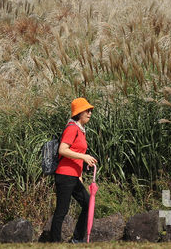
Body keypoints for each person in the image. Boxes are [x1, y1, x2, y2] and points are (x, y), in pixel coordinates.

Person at [49, 97, 98, 243]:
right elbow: (62, 150)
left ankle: (77, 239)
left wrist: (80, 174)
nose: (90, 113)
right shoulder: (72, 128)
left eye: (90, 110)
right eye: (87, 110)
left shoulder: (80, 130)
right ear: (79, 113)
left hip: (74, 176)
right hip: (64, 175)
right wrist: (84, 157)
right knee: (61, 211)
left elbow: (76, 152)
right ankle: (55, 243)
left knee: (88, 204)